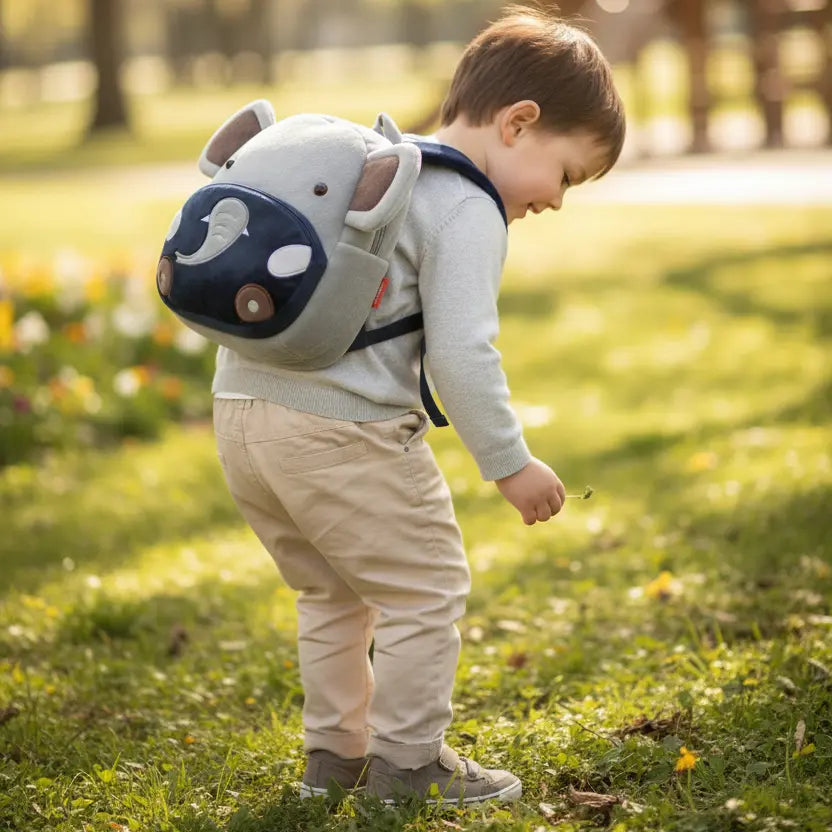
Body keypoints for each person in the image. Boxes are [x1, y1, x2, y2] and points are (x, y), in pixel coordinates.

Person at [211, 3, 625, 805]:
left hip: (242, 417)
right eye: (568, 174)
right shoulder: (465, 205)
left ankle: (334, 761)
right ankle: (408, 766)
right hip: (342, 433)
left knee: (331, 594)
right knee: (425, 590)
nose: (559, 201)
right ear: (519, 123)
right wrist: (511, 464)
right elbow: (464, 355)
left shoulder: (380, 168)